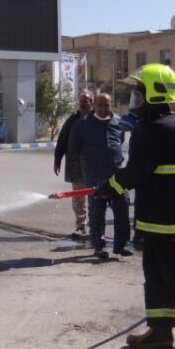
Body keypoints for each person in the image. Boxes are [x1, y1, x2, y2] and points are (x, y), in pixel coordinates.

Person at [95, 64, 175, 349]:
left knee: (174, 270)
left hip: (173, 218)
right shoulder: (171, 127)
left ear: (154, 95)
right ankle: (160, 330)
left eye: (138, 95)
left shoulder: (155, 130)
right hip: (163, 217)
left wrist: (109, 188)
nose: (134, 102)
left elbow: (137, 172)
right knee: (155, 270)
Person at [68, 92, 130, 259]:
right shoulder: (83, 124)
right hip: (94, 176)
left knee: (122, 209)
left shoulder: (118, 122)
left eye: (106, 105)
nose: (103, 109)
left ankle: (121, 245)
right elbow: (73, 148)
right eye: (100, 105)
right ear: (94, 105)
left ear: (111, 105)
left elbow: (120, 141)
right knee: (97, 213)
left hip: (116, 176)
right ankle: (99, 246)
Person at [54, 90, 93, 240]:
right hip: (75, 165)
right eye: (82, 101)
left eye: (87, 100)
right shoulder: (72, 120)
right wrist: (57, 160)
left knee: (95, 197)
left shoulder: (97, 119)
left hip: (93, 166)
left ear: (92, 102)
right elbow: (62, 140)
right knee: (78, 197)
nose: (84, 103)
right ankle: (80, 226)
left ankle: (95, 227)